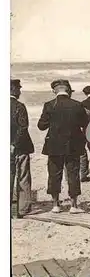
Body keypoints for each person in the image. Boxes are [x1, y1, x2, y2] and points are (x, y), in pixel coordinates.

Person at [38, 79, 87, 213]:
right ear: (68, 90)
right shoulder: (77, 105)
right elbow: (85, 122)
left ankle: (55, 205)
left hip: (54, 145)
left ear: (55, 90)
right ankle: (74, 205)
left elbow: (41, 126)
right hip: (73, 144)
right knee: (73, 173)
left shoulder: (49, 105)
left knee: (54, 174)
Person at [10, 79, 34, 218]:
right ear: (13, 90)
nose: (20, 91)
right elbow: (23, 127)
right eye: (18, 88)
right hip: (20, 148)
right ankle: (23, 209)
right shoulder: (20, 106)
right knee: (23, 177)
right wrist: (14, 144)